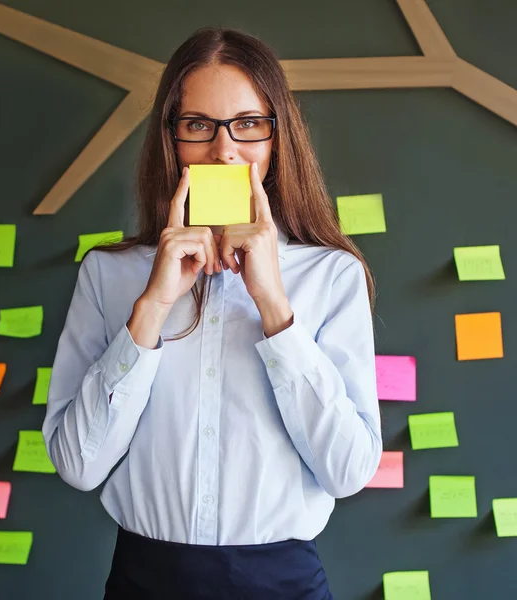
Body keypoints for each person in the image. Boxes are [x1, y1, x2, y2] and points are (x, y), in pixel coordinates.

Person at [42, 25, 382, 600]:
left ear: (278, 139)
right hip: (143, 580)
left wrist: (274, 303)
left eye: (249, 124)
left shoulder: (331, 276)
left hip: (285, 583)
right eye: (198, 125)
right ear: (170, 140)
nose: (224, 149)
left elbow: (347, 472)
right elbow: (78, 464)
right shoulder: (108, 274)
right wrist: (151, 306)